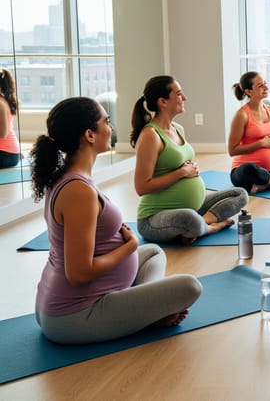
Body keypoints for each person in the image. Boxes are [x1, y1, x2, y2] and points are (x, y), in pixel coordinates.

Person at [32, 97, 202, 345]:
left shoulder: (71, 178)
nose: (111, 128)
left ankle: (145, 309)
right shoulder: (78, 191)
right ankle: (148, 313)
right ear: (90, 134)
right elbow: (78, 273)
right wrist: (128, 247)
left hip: (67, 305)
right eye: (107, 122)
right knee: (190, 286)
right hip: (76, 315)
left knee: (154, 252)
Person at [131, 76, 248, 244]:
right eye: (179, 94)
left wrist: (190, 169)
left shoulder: (178, 129)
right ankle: (208, 227)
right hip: (154, 218)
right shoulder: (151, 135)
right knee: (189, 218)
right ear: (163, 101)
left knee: (239, 194)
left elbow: (178, 164)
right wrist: (181, 173)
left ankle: (203, 222)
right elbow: (141, 187)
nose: (184, 98)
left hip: (192, 208)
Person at [0, 68, 20, 168]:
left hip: (6, 155)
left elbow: (2, 134)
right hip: (8, 153)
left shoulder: (0, 103)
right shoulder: (3, 100)